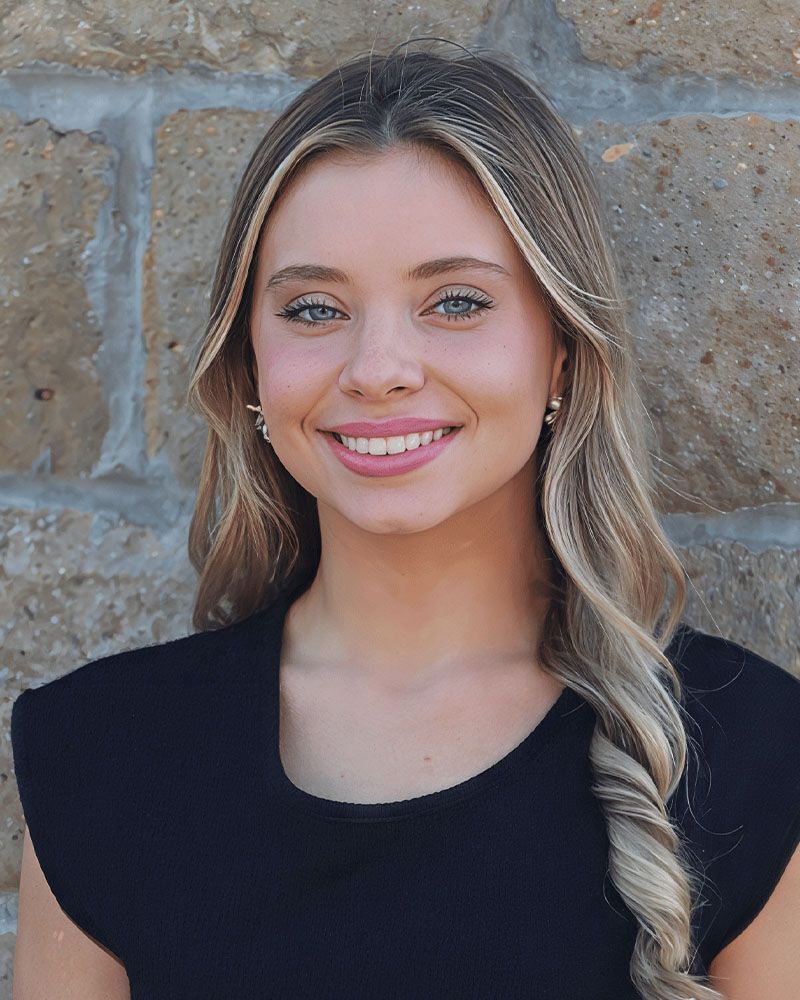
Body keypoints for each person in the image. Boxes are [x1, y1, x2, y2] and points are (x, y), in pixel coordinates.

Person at [10, 40, 799, 1000]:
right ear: (249, 366)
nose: (377, 369)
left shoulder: (752, 754)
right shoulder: (100, 755)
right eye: (313, 309)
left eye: (455, 302)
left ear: (561, 352)